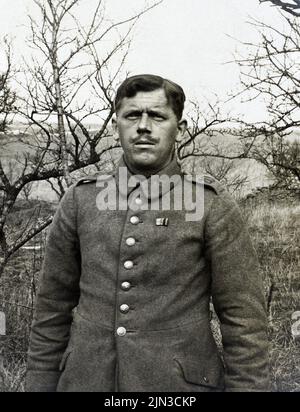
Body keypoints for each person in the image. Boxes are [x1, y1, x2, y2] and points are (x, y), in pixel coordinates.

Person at [26, 74, 270, 392]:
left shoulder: (211, 204)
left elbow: (244, 321)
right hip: (87, 381)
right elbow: (51, 309)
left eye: (156, 116)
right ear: (116, 127)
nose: (143, 126)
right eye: (132, 116)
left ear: (179, 130)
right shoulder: (80, 199)